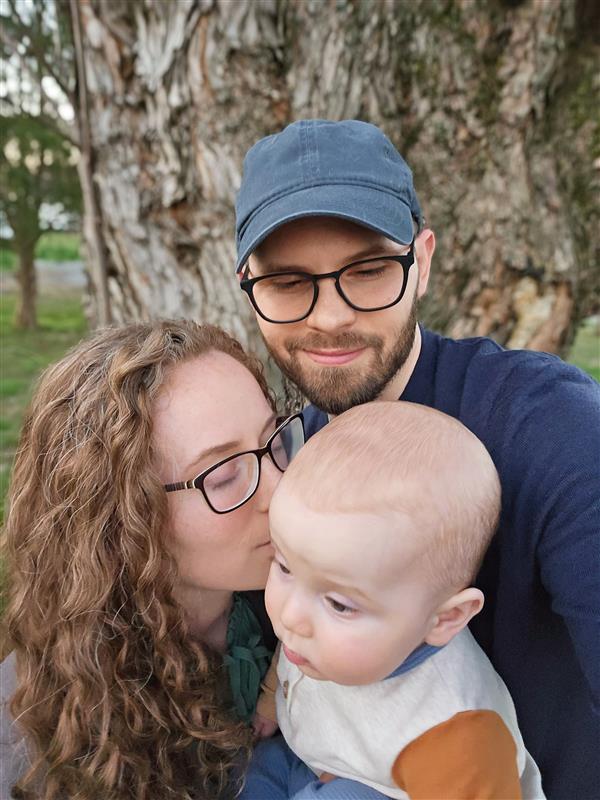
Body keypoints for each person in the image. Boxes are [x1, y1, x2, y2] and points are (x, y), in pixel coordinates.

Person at [234, 119, 600, 799]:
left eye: (369, 270)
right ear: (247, 284)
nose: (330, 317)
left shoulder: (550, 428)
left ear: (422, 262)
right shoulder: (284, 452)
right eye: (287, 281)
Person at [0, 319, 305, 800]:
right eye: (224, 476)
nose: (281, 489)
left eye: (277, 440)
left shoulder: (315, 597)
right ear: (123, 519)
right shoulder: (34, 736)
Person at [245, 401, 545, 800]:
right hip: (313, 754)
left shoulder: (456, 737)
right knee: (251, 771)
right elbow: (286, 659)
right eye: (284, 566)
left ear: (445, 618)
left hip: (390, 788)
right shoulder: (314, 624)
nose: (291, 615)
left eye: (339, 604)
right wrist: (269, 705)